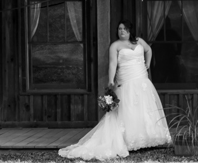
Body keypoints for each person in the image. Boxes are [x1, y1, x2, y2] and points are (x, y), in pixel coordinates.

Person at [59, 20, 172, 160]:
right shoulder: (115, 45)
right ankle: (130, 139)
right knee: (129, 107)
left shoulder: (139, 41)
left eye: (124, 29)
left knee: (144, 106)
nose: (122, 31)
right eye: (119, 29)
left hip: (142, 79)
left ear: (130, 30)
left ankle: (148, 138)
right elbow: (113, 64)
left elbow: (149, 50)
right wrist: (111, 80)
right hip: (126, 80)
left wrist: (147, 64)